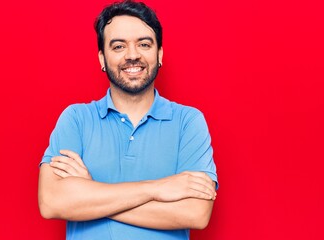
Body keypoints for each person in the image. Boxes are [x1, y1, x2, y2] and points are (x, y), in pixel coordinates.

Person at [38, 0, 218, 239]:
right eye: (118, 46)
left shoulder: (188, 122)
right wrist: (158, 188)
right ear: (102, 58)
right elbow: (52, 202)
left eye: (144, 44)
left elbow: (196, 213)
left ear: (159, 53)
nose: (133, 55)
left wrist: (91, 194)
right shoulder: (76, 119)